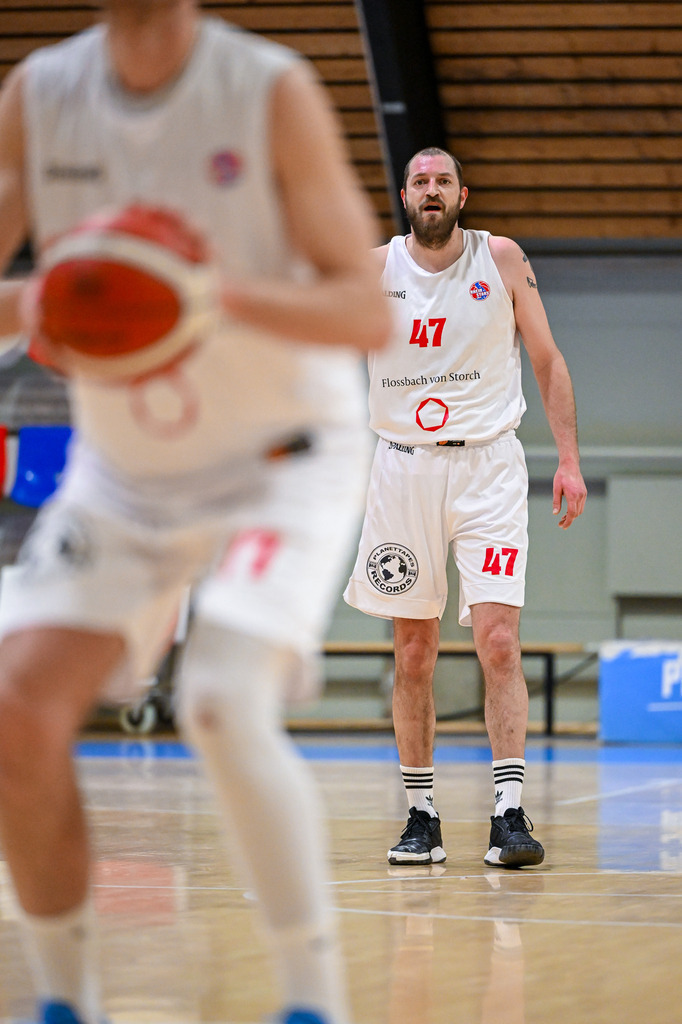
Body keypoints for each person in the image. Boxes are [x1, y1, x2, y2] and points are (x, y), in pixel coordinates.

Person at [0, 3, 391, 1024]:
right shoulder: (39, 97)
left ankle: (312, 1002)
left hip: (280, 457)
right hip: (126, 474)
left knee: (217, 698)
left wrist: (198, 292)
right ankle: (64, 1002)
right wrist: (37, 300)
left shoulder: (267, 89)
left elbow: (366, 308)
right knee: (16, 709)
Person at [344, 147, 587, 869]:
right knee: (413, 653)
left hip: (488, 465)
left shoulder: (501, 258)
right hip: (401, 469)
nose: (430, 190)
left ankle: (509, 813)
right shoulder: (372, 269)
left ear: (462, 194)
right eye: (420, 181)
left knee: (499, 643)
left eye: (442, 180)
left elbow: (546, 359)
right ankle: (420, 814)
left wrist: (569, 457)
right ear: (405, 194)